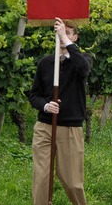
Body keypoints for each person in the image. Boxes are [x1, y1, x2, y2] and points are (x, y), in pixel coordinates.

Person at [28, 18, 91, 205]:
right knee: (42, 178)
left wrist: (65, 37)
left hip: (70, 128)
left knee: (72, 181)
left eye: (68, 33)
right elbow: (34, 95)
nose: (63, 37)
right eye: (60, 33)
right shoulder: (45, 63)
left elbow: (84, 70)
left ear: (75, 37)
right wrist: (46, 106)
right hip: (44, 127)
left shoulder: (82, 60)